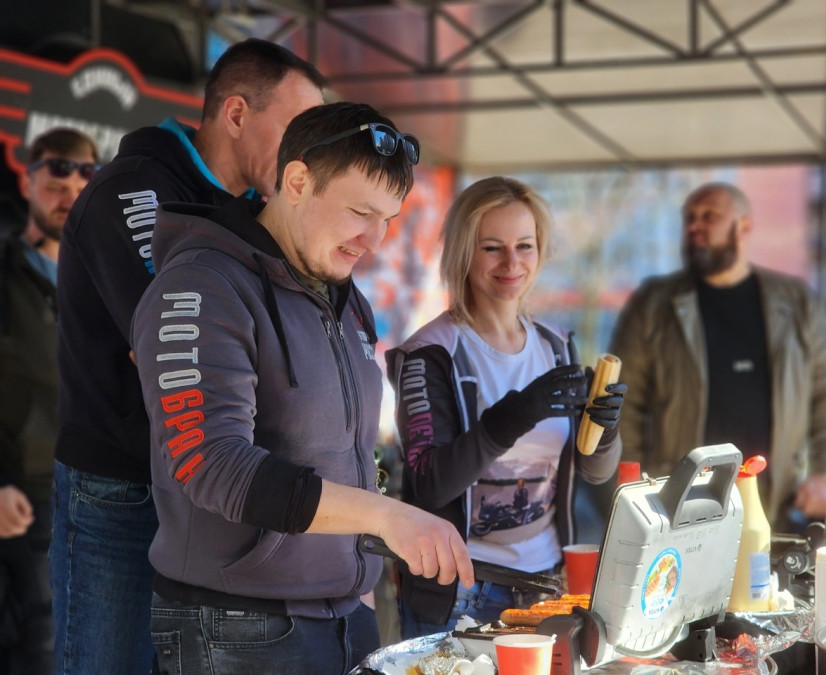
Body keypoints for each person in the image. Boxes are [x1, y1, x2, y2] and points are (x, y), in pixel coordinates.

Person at [129, 100, 474, 674]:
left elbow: (349, 457)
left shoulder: (344, 296)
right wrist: (386, 516)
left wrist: (360, 585)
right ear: (296, 181)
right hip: (238, 629)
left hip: (345, 616)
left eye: (389, 218)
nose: (375, 239)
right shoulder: (201, 284)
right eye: (360, 211)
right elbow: (212, 465)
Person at [51, 39, 327, 674]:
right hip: (120, 489)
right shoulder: (130, 189)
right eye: (295, 130)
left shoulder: (257, 214)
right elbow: (176, 348)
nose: (305, 155)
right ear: (236, 114)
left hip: (214, 492)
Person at [385, 176, 626, 638]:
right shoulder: (430, 354)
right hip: (461, 592)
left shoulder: (556, 345)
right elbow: (429, 485)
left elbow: (595, 471)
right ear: (464, 253)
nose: (512, 263)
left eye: (524, 246)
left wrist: (606, 430)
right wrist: (513, 417)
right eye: (492, 248)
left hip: (545, 585)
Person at [609, 181, 826, 530]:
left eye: (709, 216)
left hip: (777, 502)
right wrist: (634, 492)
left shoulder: (795, 303)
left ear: (743, 227)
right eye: (690, 218)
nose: (695, 226)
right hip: (680, 504)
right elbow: (623, 403)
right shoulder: (655, 305)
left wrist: (825, 474)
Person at [0, 127, 99, 674]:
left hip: (100, 498)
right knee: (38, 651)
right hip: (23, 500)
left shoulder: (108, 278)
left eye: (85, 180)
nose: (70, 193)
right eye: (57, 178)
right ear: (28, 181)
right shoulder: (6, 271)